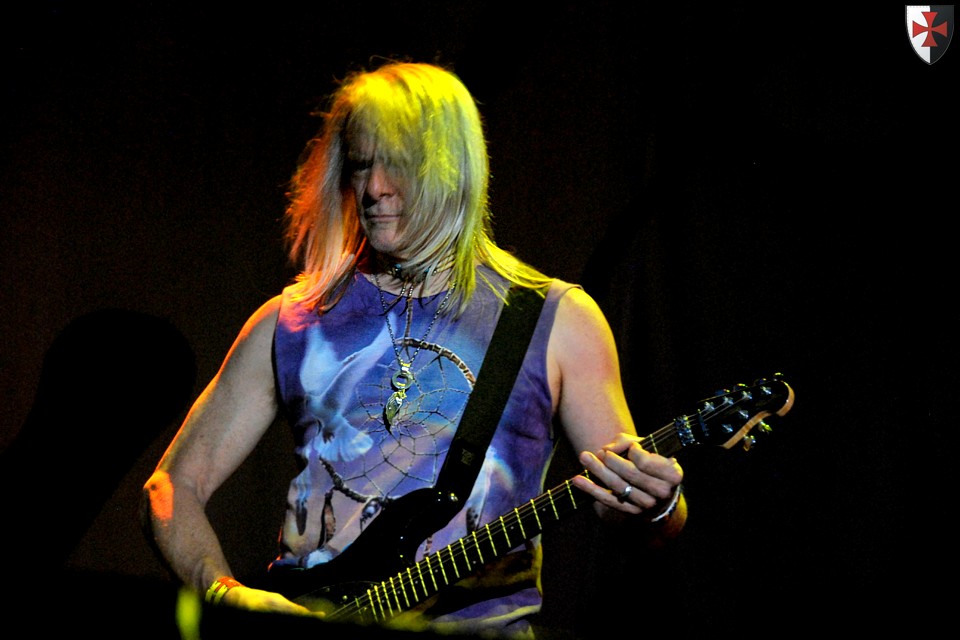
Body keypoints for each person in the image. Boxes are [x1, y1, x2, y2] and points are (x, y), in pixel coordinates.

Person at [142, 60, 686, 638]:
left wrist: (657, 505)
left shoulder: (558, 321)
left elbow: (630, 511)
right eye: (360, 165)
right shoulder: (292, 320)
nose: (374, 188)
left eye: (397, 166)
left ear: (452, 167)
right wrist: (222, 593)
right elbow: (172, 487)